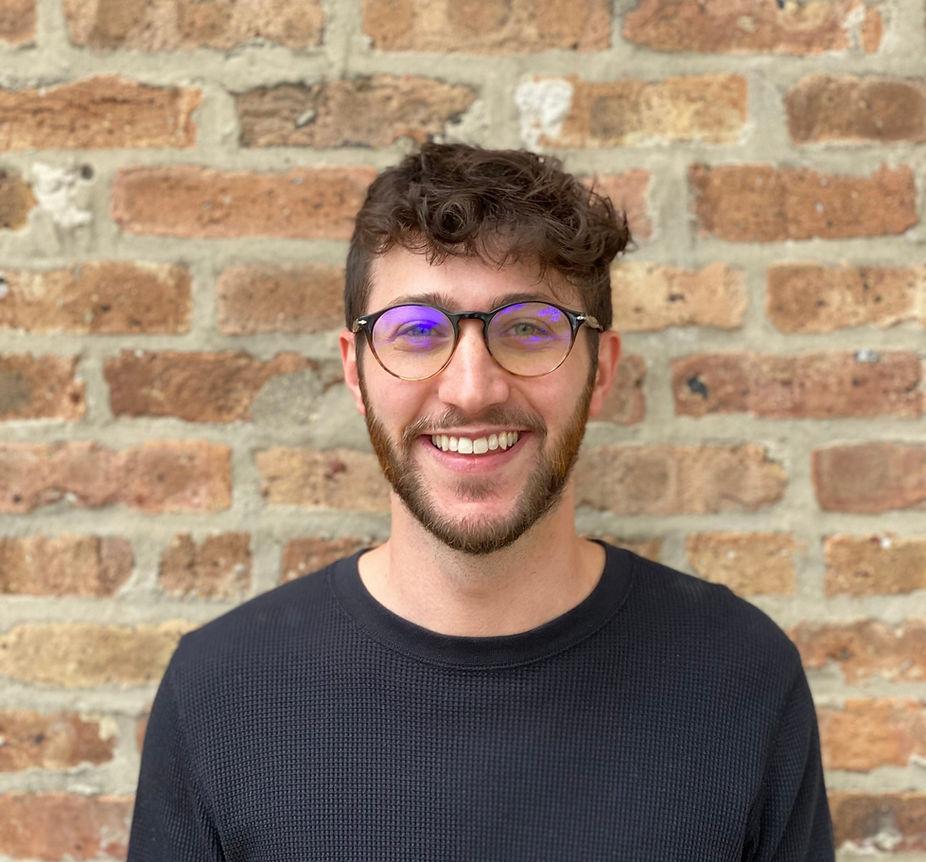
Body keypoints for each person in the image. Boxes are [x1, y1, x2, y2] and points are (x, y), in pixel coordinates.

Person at [127, 143, 834, 860]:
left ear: (601, 370)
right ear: (355, 369)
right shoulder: (222, 693)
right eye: (418, 332)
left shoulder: (740, 675)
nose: (472, 388)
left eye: (527, 328)